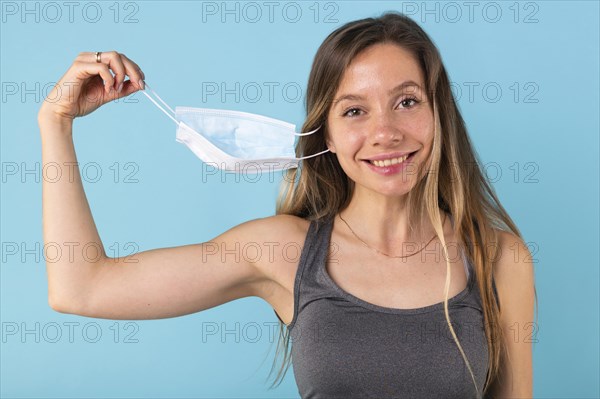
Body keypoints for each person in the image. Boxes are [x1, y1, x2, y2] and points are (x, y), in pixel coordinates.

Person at [38, 12, 536, 399]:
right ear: (327, 133)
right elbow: (82, 287)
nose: (385, 133)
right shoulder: (282, 252)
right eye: (355, 110)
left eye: (407, 101)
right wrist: (55, 123)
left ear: (437, 113)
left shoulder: (499, 258)